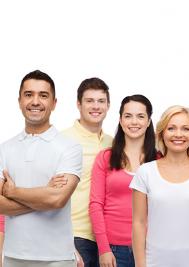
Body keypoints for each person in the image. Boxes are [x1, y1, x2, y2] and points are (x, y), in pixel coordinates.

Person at [0, 70, 83, 266]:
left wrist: (12, 191)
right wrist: (44, 195)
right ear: (19, 100)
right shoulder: (4, 149)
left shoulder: (69, 147)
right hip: (13, 255)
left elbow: (57, 199)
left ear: (54, 103)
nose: (35, 101)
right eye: (29, 95)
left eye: (43, 95)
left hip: (57, 258)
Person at [130, 105, 189, 267]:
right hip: (154, 263)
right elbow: (139, 223)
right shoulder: (145, 172)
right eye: (171, 128)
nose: (178, 134)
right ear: (162, 133)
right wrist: (140, 264)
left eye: (185, 129)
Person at [90, 95, 159, 267]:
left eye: (140, 116)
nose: (134, 122)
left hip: (150, 247)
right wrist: (104, 249)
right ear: (120, 120)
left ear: (149, 121)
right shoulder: (105, 157)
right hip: (113, 250)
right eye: (128, 116)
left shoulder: (159, 160)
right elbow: (96, 205)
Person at [62, 77, 114, 267]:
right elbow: (48, 196)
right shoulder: (62, 141)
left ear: (108, 105)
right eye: (89, 101)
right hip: (74, 236)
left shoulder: (113, 143)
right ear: (78, 104)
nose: (96, 106)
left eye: (101, 101)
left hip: (106, 240)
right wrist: (65, 242)